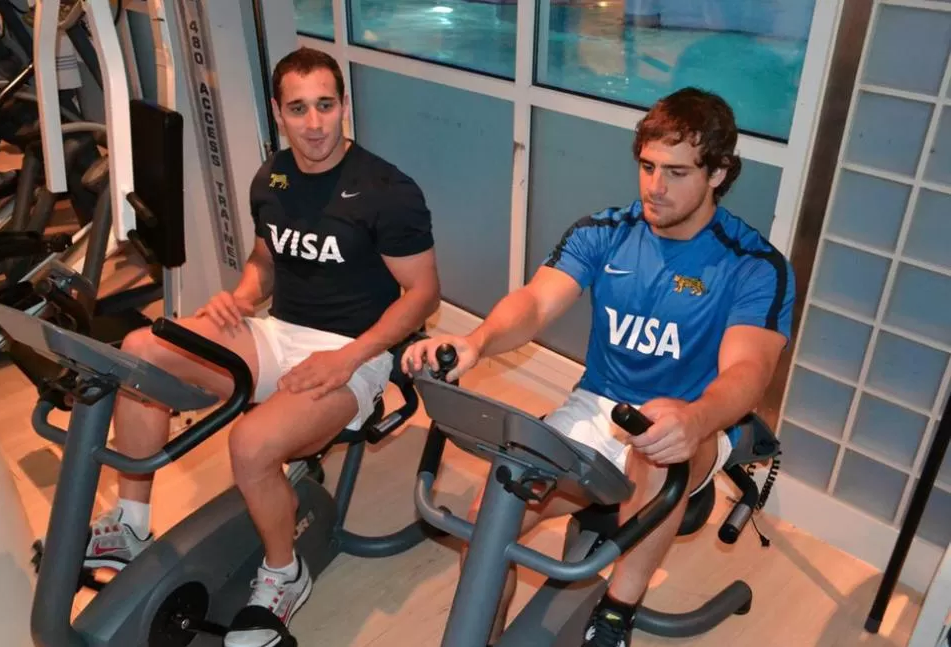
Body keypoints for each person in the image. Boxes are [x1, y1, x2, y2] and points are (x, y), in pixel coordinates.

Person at [403, 87, 795, 647]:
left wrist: (697, 417)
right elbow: (535, 303)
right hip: (598, 408)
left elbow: (747, 375)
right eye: (647, 166)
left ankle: (615, 614)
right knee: (491, 525)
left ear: (718, 173)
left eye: (677, 172)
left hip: (697, 424)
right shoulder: (606, 232)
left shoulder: (753, 266)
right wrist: (478, 341)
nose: (655, 187)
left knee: (658, 441)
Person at [81, 46, 440, 647]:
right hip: (279, 333)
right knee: (140, 351)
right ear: (279, 112)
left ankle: (283, 571)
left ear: (343, 106)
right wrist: (243, 297)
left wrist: (349, 357)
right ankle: (132, 526)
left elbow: (423, 293)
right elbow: (265, 260)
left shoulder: (386, 190)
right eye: (299, 108)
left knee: (250, 444)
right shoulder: (271, 177)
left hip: (359, 352)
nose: (315, 122)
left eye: (326, 105)